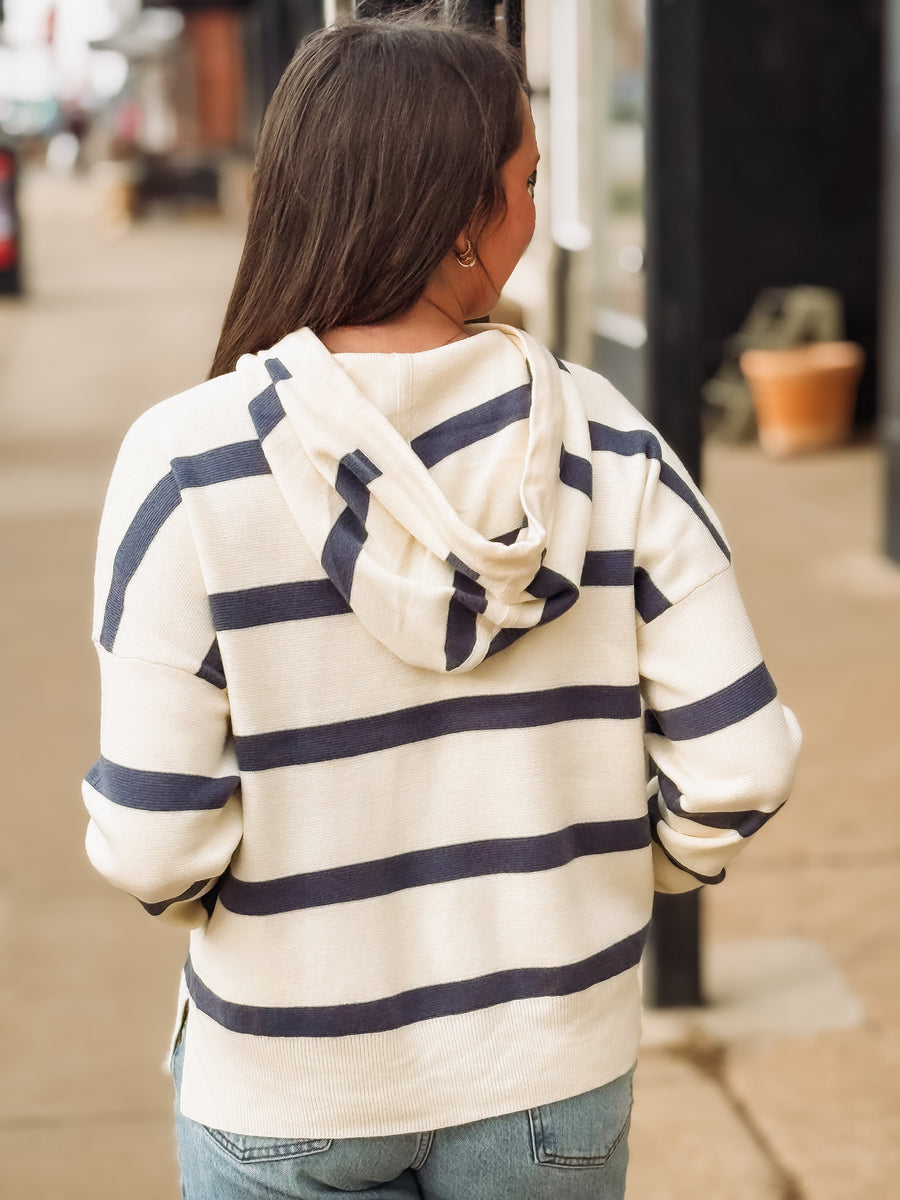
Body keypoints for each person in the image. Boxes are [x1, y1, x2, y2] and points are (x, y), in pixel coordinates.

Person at [82, 12, 801, 1200]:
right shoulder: (614, 445)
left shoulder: (187, 464)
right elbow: (741, 761)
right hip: (549, 1078)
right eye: (529, 182)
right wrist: (614, 878)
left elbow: (156, 840)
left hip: (287, 1084)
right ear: (464, 218)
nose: (533, 212)